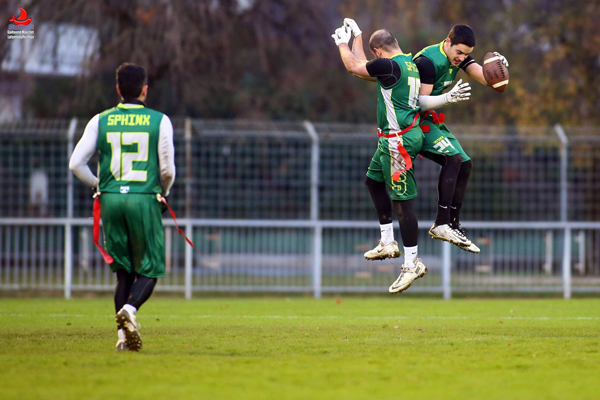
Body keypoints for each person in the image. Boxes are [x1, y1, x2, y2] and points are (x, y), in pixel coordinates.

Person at [332, 24, 469, 293]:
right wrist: (358, 36)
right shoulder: (407, 62)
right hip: (391, 138)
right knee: (372, 182)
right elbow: (365, 65)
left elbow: (354, 67)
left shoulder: (388, 66)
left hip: (399, 142)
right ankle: (387, 241)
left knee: (402, 204)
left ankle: (412, 263)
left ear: (379, 52)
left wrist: (341, 43)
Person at [69, 63, 175, 351]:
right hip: (144, 197)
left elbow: (76, 164)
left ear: (117, 90)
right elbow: (167, 171)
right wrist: (162, 194)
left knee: (123, 273)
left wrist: (98, 186)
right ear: (144, 89)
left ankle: (122, 340)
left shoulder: (99, 120)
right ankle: (130, 311)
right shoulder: (160, 120)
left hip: (111, 199)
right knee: (150, 268)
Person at [413, 25, 509, 253]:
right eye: (460, 53)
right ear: (448, 42)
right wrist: (447, 97)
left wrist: (501, 70)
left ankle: (452, 224)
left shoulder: (459, 57)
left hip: (431, 121)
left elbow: (492, 83)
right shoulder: (428, 61)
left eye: (467, 54)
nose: (463, 58)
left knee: (465, 163)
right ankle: (441, 222)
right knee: (453, 159)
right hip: (413, 122)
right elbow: (419, 102)